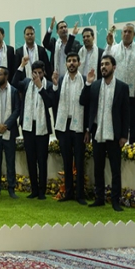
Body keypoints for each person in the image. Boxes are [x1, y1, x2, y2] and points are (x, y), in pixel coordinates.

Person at [80, 55, 129, 212]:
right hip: (98, 133)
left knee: (115, 169)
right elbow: (84, 103)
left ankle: (115, 201)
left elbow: (125, 113)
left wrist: (124, 135)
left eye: (107, 64)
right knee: (98, 168)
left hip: (115, 134)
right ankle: (99, 198)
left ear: (114, 67)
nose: (103, 67)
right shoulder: (94, 86)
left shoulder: (122, 87)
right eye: (102, 64)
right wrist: (88, 83)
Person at [12, 60, 54, 200]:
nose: (37, 75)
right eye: (34, 73)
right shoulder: (26, 83)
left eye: (39, 73)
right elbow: (14, 83)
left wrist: (40, 87)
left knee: (42, 160)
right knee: (30, 159)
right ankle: (34, 189)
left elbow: (50, 103)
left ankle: (42, 191)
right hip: (28, 126)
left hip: (42, 127)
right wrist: (21, 66)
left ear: (44, 73)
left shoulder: (48, 85)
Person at [51, 53, 88, 205]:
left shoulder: (85, 80)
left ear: (79, 63)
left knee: (79, 161)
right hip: (64, 125)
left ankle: (80, 195)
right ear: (66, 64)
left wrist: (87, 129)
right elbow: (53, 103)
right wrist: (54, 86)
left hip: (79, 125)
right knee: (66, 161)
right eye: (69, 61)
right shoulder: (60, 80)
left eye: (74, 61)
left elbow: (88, 104)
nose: (71, 63)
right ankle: (68, 192)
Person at [105, 23, 135, 144]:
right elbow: (104, 61)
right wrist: (109, 45)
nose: (127, 34)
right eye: (125, 31)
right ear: (121, 33)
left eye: (129, 32)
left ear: (134, 34)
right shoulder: (113, 49)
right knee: (117, 119)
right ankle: (117, 146)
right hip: (117, 91)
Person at [0, 67, 21, 199]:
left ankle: (11, 188)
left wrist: (6, 125)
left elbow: (17, 110)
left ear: (6, 76)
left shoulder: (14, 91)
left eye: (0, 74)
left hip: (9, 131)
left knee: (10, 161)